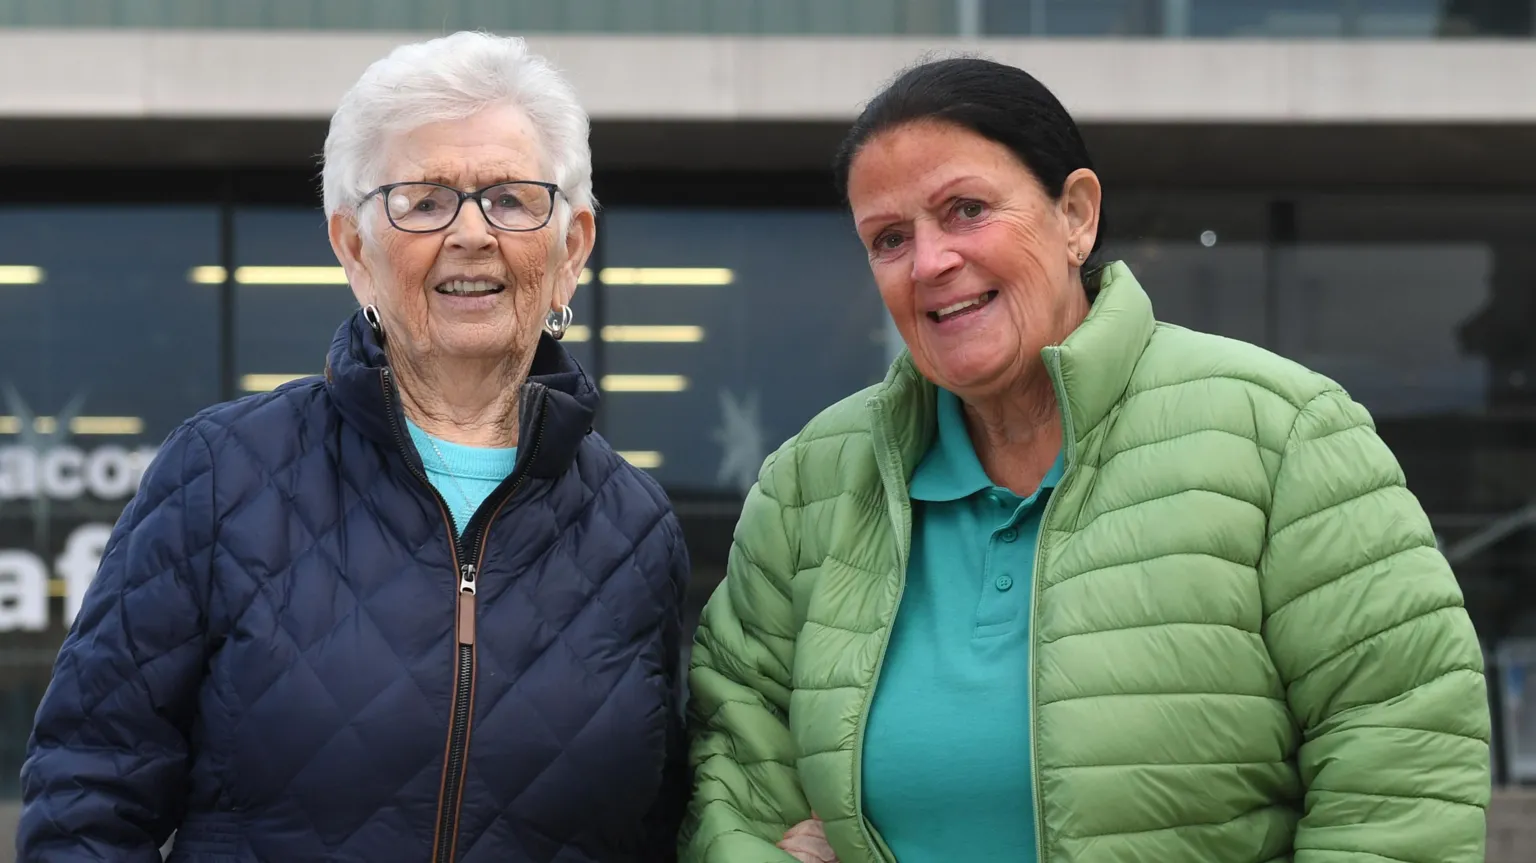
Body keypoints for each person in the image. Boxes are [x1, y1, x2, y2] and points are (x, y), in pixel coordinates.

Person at [681, 57, 1490, 863]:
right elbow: (733, 767)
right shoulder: (808, 487)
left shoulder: (1282, 436)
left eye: (965, 210)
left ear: (1076, 215)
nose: (929, 262)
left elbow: (1400, 770)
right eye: (890, 238)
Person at [19, 31, 690, 862]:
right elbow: (87, 798)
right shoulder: (222, 475)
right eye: (423, 198)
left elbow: (660, 828)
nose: (473, 232)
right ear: (354, 248)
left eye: (513, 199)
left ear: (572, 248)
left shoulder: (636, 528)